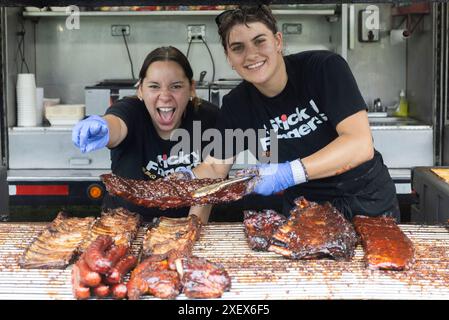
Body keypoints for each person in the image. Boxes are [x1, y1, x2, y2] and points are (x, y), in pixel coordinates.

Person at [190, 5, 400, 221]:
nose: (251, 54)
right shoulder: (237, 104)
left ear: (278, 41)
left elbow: (359, 144)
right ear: (229, 58)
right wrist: (187, 188)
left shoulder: (324, 69)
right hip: (305, 211)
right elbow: (215, 168)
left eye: (259, 41)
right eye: (237, 47)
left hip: (367, 202)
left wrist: (289, 173)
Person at [72, 46, 219, 223]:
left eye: (176, 86)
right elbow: (117, 124)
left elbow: (210, 185)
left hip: (184, 224)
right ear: (140, 89)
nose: (165, 96)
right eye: (154, 86)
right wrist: (105, 127)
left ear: (191, 88)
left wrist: (190, 231)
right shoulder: (131, 110)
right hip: (124, 225)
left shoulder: (209, 119)